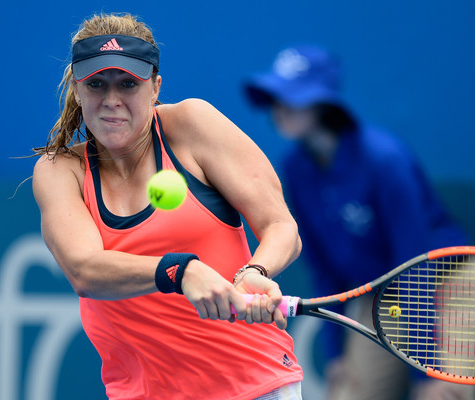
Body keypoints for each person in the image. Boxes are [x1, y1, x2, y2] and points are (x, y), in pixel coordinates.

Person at [32, 13, 304, 400]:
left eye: (128, 83)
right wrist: (181, 271)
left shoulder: (192, 125)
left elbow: (281, 226)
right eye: (96, 84)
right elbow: (84, 270)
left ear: (155, 87)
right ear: (78, 90)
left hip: (253, 387)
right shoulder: (61, 171)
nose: (112, 100)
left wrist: (255, 271)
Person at [243, 45, 475, 400]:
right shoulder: (295, 168)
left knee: (438, 396)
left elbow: (414, 267)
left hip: (446, 283)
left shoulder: (386, 160)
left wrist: (427, 372)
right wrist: (336, 354)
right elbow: (326, 267)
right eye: (276, 97)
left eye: (292, 98)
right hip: (382, 292)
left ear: (323, 105)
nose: (280, 109)